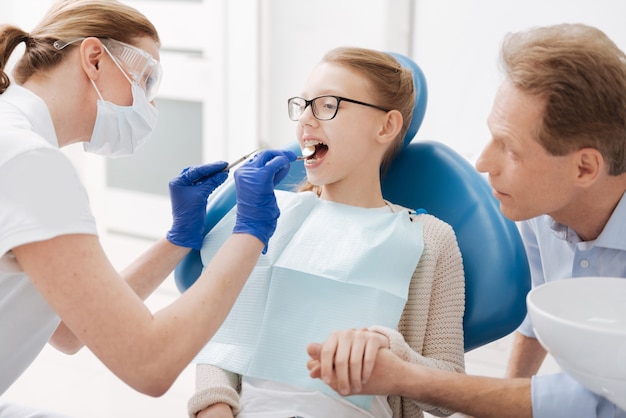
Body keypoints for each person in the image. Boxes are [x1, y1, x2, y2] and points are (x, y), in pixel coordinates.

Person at [306, 23, 626, 418]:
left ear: (585, 168)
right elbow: (537, 315)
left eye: (509, 148)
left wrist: (402, 376)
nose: (482, 163)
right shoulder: (542, 210)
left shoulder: (431, 239)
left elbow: (592, 405)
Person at [0, 0, 296, 415]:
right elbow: (151, 363)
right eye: (146, 80)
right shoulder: (31, 162)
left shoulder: (14, 137)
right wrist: (250, 231)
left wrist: (178, 238)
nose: (150, 106)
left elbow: (67, 330)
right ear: (95, 58)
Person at [187, 47, 466, 418]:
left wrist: (389, 352)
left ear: (386, 126)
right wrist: (215, 407)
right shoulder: (266, 219)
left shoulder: (430, 240)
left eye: (327, 105)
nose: (305, 120)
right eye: (302, 105)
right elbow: (221, 343)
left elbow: (451, 392)